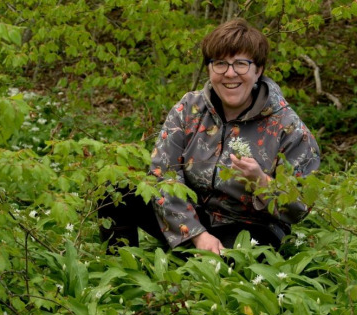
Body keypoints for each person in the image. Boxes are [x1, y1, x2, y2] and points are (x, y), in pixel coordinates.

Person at [98, 18, 320, 255]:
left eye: (241, 64)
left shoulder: (289, 128)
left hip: (249, 228)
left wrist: (262, 183)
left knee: (231, 263)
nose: (230, 73)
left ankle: (197, 263)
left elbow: (300, 207)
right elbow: (162, 174)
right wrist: (197, 234)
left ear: (258, 70)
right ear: (209, 68)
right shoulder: (189, 109)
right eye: (220, 64)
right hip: (191, 215)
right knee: (116, 192)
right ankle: (122, 270)